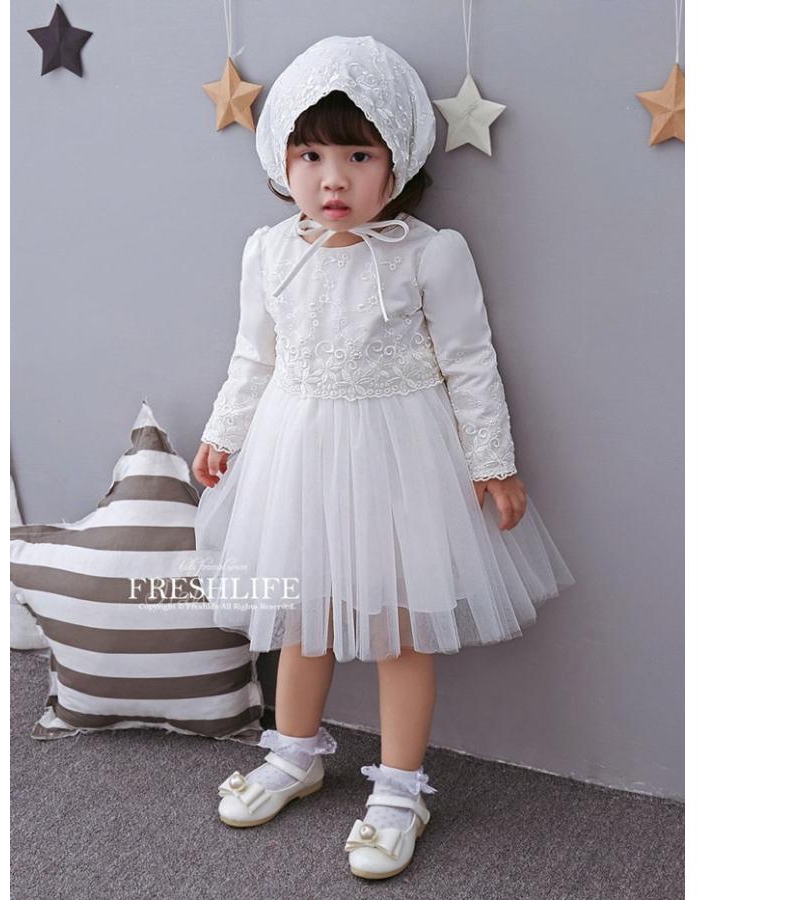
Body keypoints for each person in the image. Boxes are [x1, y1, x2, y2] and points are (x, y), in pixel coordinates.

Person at [190, 35, 575, 880]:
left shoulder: (429, 252)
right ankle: (293, 752)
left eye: (358, 156)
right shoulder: (269, 252)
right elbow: (253, 355)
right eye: (312, 156)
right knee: (301, 613)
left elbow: (470, 361)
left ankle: (400, 789)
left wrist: (494, 461)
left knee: (401, 626)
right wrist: (224, 433)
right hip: (295, 455)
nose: (333, 179)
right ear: (281, 160)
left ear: (396, 160)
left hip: (400, 463)